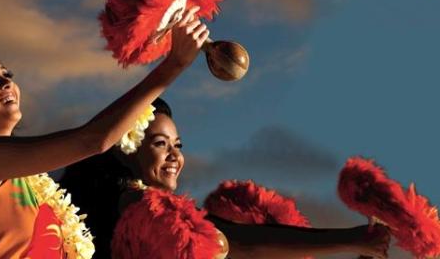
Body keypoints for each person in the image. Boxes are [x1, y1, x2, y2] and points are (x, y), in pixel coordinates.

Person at [0, 6, 208, 258]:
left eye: (6, 73)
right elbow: (92, 139)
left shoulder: (29, 177)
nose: (5, 80)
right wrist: (174, 65)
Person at [61, 98, 391, 259]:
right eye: (160, 144)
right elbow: (237, 242)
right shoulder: (136, 203)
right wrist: (352, 238)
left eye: (178, 145)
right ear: (125, 150)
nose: (175, 156)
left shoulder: (134, 205)